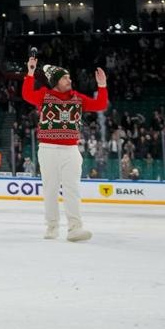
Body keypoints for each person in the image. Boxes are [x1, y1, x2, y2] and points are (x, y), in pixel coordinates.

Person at [22, 54, 108, 242]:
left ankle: (75, 228)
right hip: (48, 149)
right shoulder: (44, 96)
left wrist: (102, 86)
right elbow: (27, 94)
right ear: (55, 82)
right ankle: (52, 226)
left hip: (71, 151)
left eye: (69, 77)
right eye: (65, 78)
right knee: (50, 190)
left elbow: (100, 104)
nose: (69, 80)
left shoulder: (78, 98)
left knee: (72, 190)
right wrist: (30, 72)